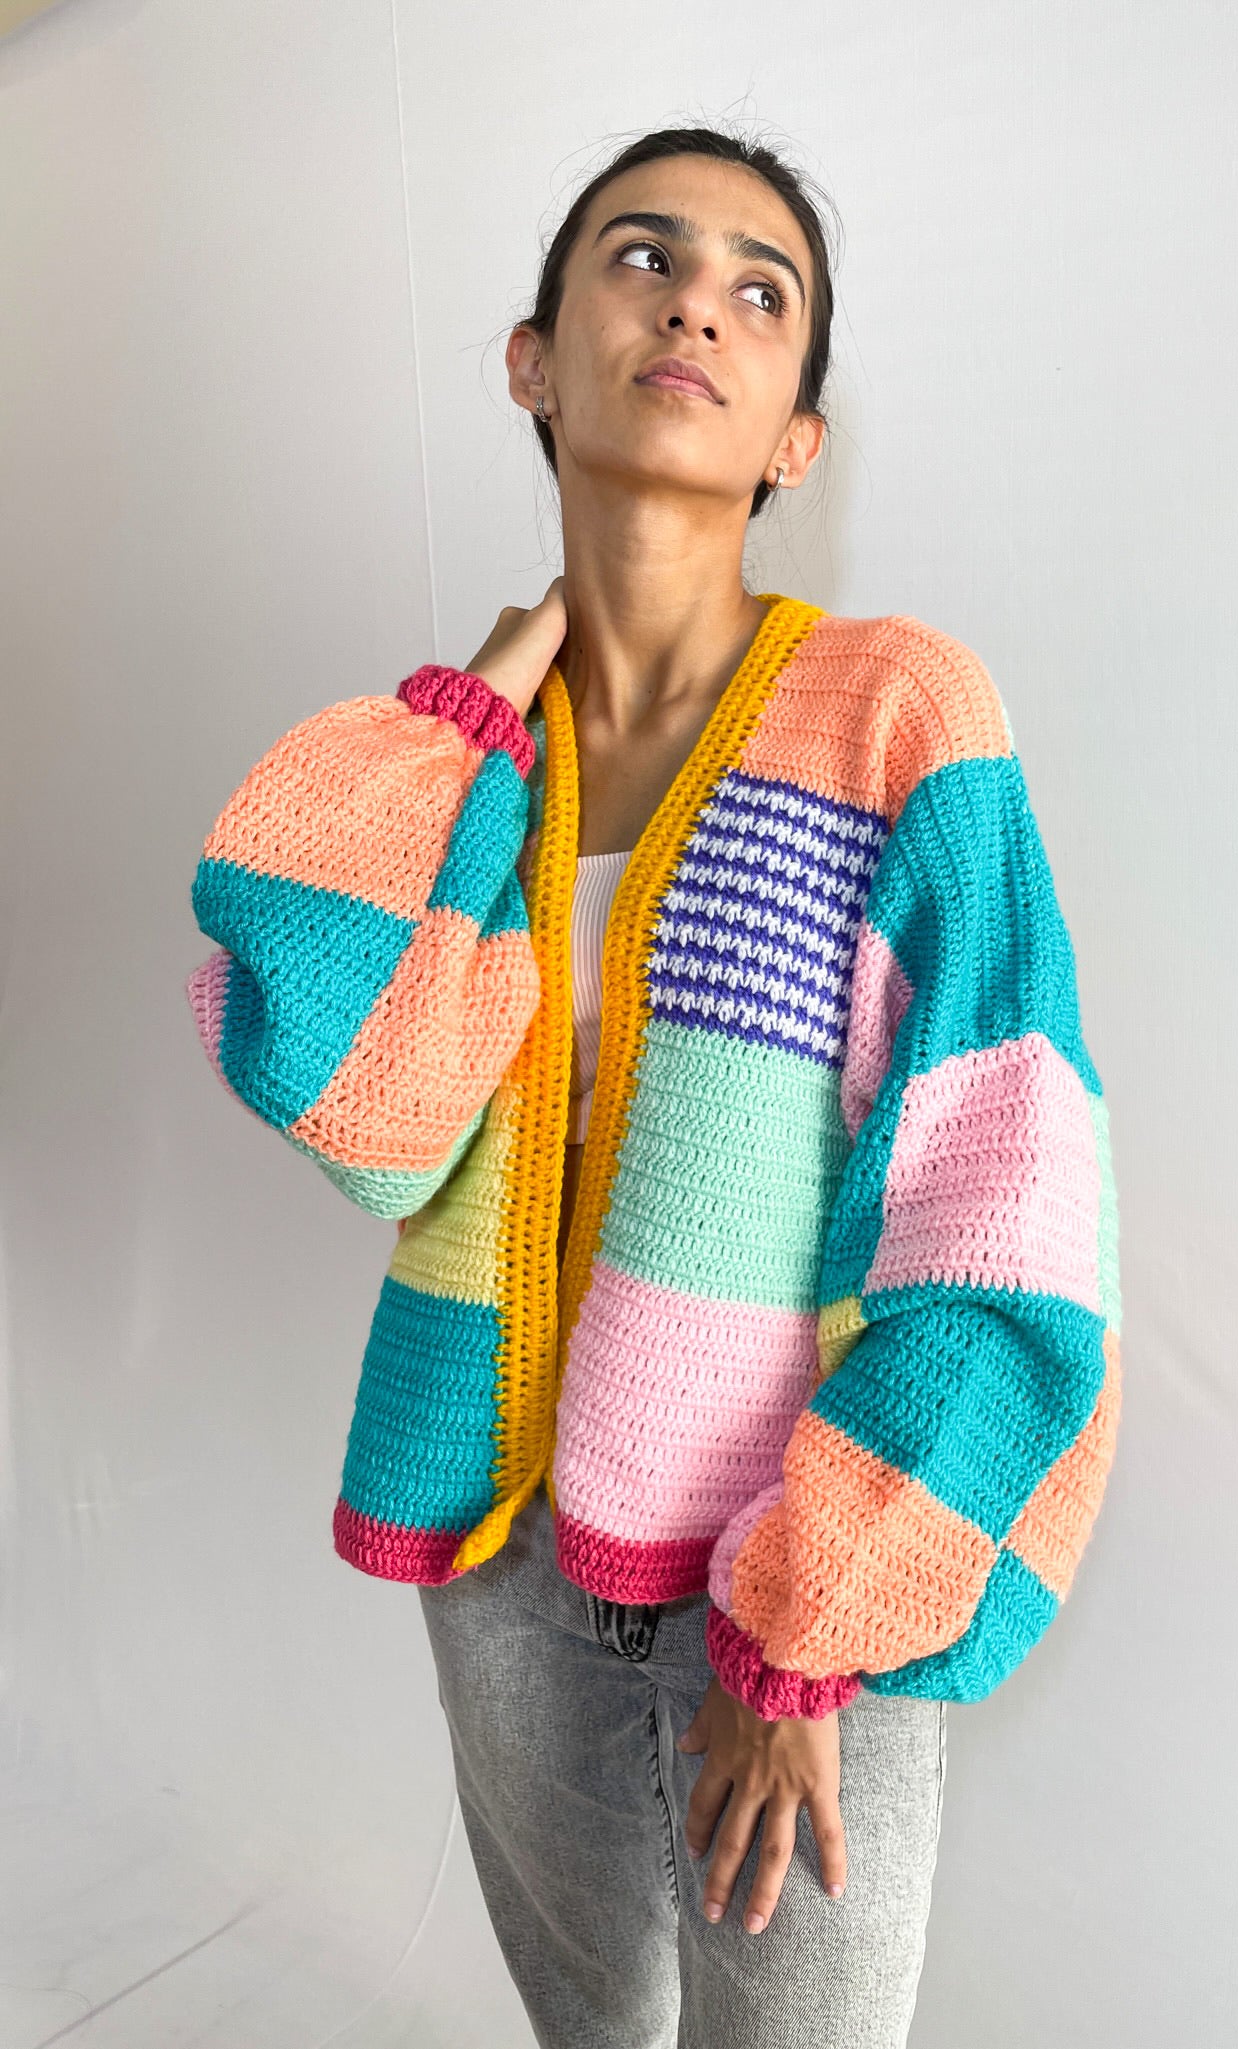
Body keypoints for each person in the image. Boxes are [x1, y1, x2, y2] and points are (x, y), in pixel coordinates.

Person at [186, 123, 1123, 2049]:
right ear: (533, 360)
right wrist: (473, 710)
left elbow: (1002, 1201)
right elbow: (354, 1099)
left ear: (798, 438)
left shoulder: (895, 713)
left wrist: (802, 1640)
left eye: (760, 291)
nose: (697, 302)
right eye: (644, 257)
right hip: (503, 1569)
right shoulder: (483, 762)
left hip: (801, 1561)